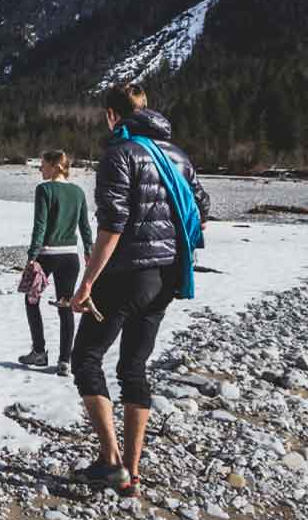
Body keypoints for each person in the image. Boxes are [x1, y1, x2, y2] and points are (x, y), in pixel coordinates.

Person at [65, 83, 209, 497]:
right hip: (166, 275)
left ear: (112, 115)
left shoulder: (120, 152)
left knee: (87, 358)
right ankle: (133, 468)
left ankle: (110, 464)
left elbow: (113, 223)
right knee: (134, 367)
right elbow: (202, 207)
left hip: (127, 273)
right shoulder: (177, 155)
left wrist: (87, 282)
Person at [20, 150, 93, 375]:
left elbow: (39, 226)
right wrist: (89, 252)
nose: (40, 169)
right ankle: (65, 361)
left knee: (31, 300)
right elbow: (85, 227)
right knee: (66, 307)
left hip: (47, 255)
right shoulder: (78, 192)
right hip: (70, 257)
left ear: (54, 166)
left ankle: (39, 352)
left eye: (43, 164)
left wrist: (32, 256)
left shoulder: (44, 189)